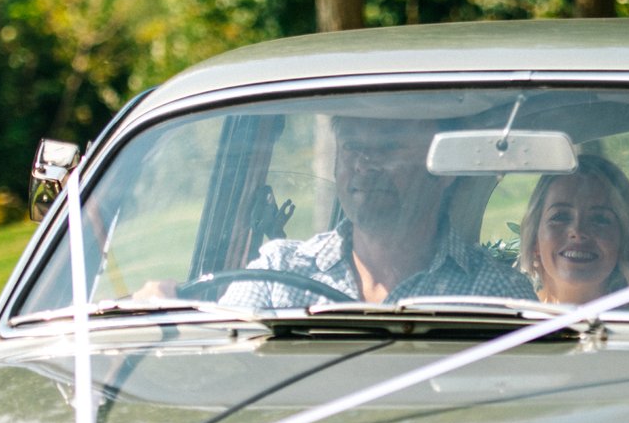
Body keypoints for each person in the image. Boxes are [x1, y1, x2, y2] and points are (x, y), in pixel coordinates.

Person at [225, 117, 532, 308]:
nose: (363, 164)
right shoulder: (277, 273)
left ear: (444, 170)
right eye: (351, 146)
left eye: (389, 146)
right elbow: (217, 371)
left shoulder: (498, 294)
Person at [518, 154, 629, 307]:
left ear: (625, 240)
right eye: (560, 216)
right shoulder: (510, 324)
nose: (578, 231)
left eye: (599, 219)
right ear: (535, 238)